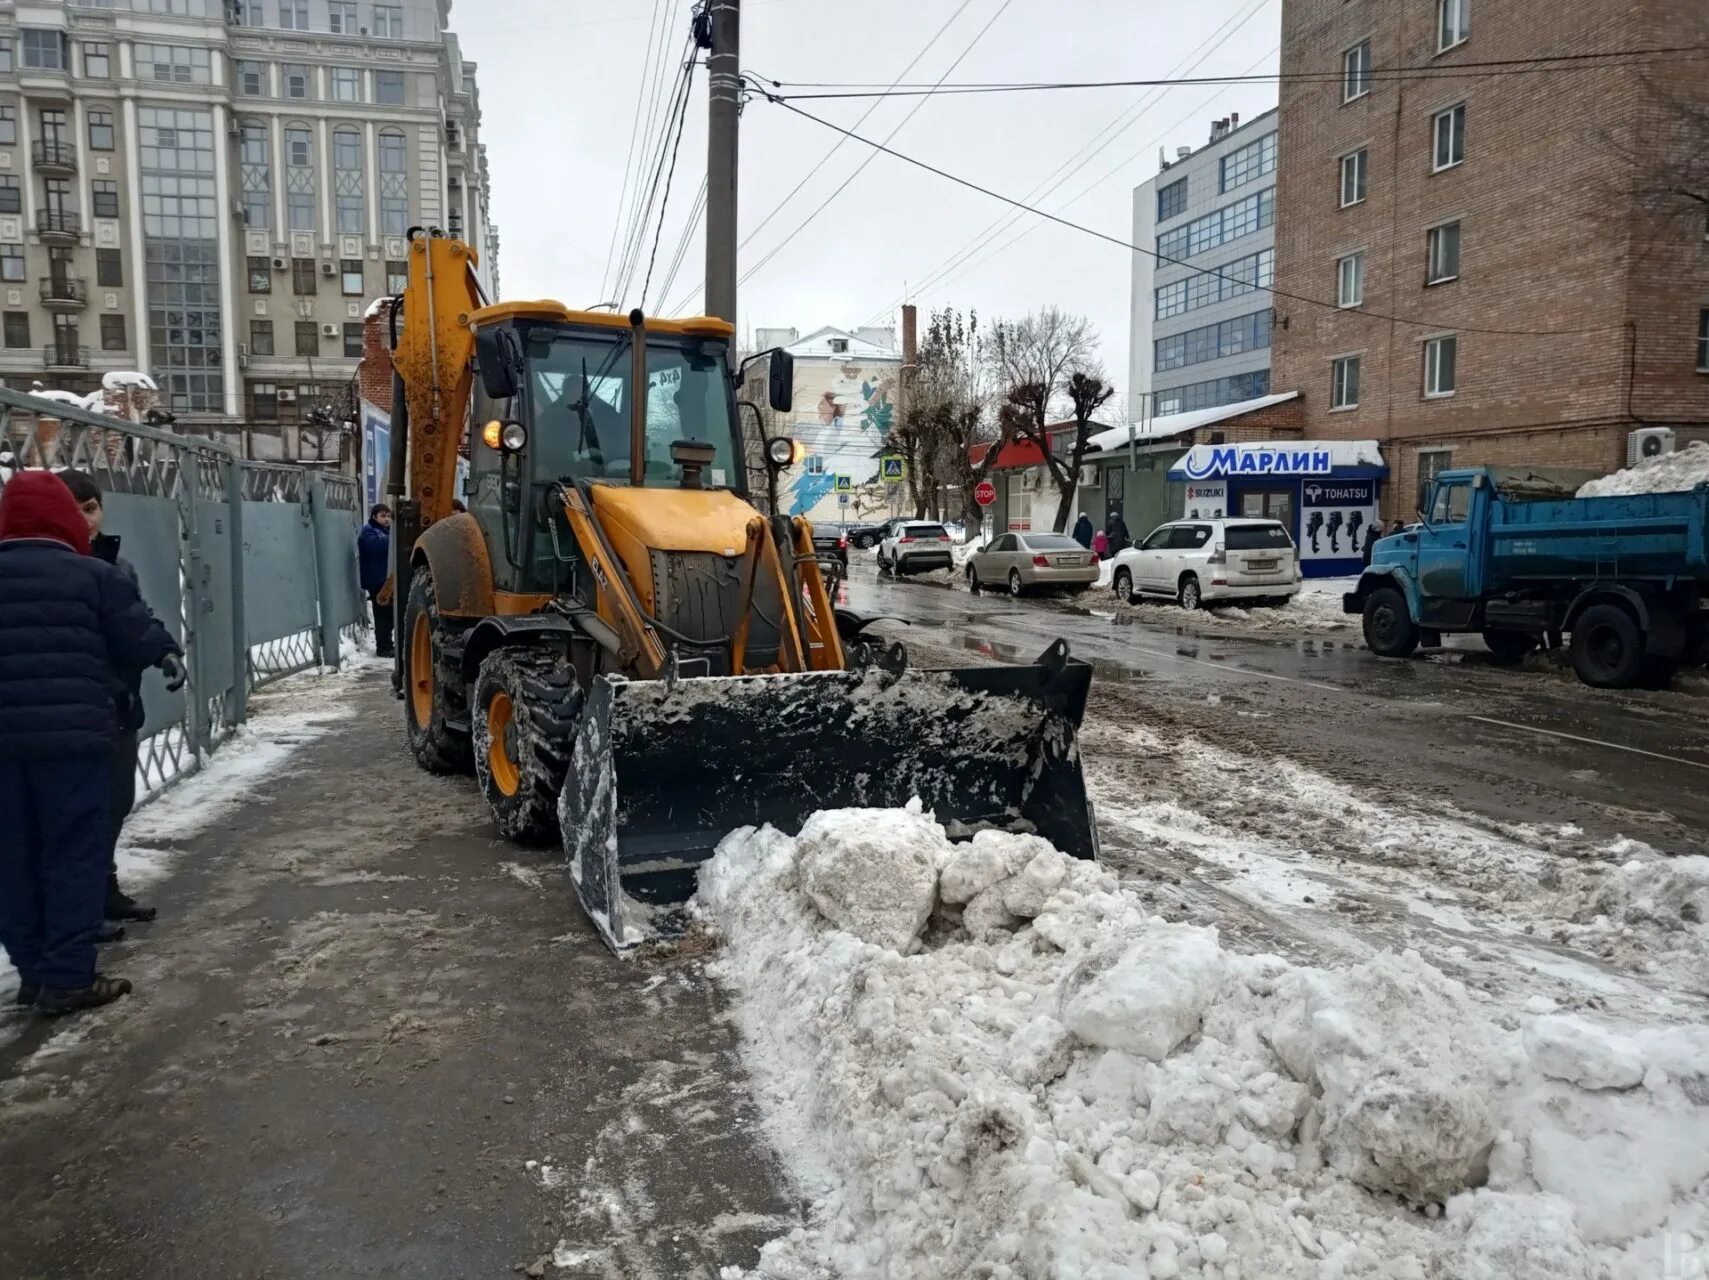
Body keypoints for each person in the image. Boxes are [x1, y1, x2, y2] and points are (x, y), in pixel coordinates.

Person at [0, 470, 182, 1014]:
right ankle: (68, 978)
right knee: (72, 853)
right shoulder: (93, 576)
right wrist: (166, 656)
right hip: (75, 743)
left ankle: (33, 972)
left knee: (12, 856)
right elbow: (138, 636)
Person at [59, 470, 170, 932]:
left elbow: (137, 620)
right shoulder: (47, 565)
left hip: (118, 705)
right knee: (75, 812)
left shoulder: (118, 565)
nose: (85, 519)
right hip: (70, 712)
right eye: (74, 509)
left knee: (116, 801)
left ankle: (103, 892)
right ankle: (76, 910)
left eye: (91, 508)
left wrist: (162, 650)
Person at [358, 504, 394, 658]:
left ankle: (387, 645)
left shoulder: (385, 531)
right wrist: (394, 538)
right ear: (374, 517)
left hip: (385, 580)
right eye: (382, 516)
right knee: (382, 616)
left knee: (389, 615)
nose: (386, 519)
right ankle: (384, 647)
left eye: (388, 516)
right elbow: (377, 546)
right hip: (376, 581)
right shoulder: (368, 532)